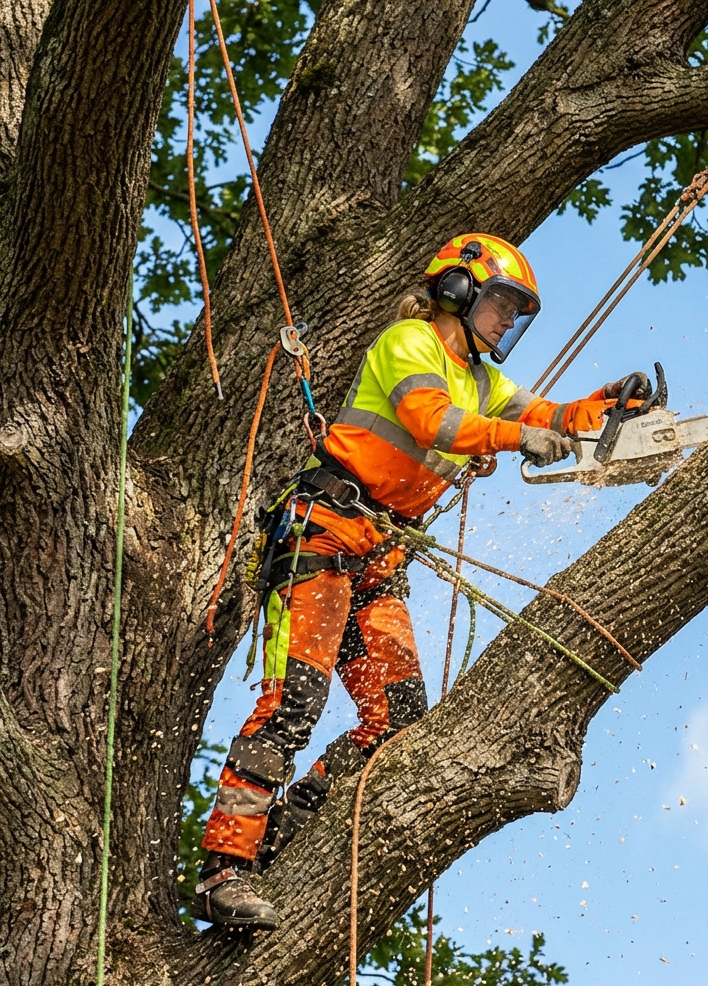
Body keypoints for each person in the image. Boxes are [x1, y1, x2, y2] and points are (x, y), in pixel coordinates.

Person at [194, 233, 651, 928]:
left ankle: (291, 825)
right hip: (323, 535)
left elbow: (546, 415)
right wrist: (509, 438)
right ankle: (225, 869)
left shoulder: (485, 383)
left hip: (378, 557)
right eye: (501, 304)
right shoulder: (409, 342)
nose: (506, 323)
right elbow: (430, 421)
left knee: (397, 721)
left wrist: (606, 406)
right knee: (296, 702)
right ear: (460, 290)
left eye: (515, 312)